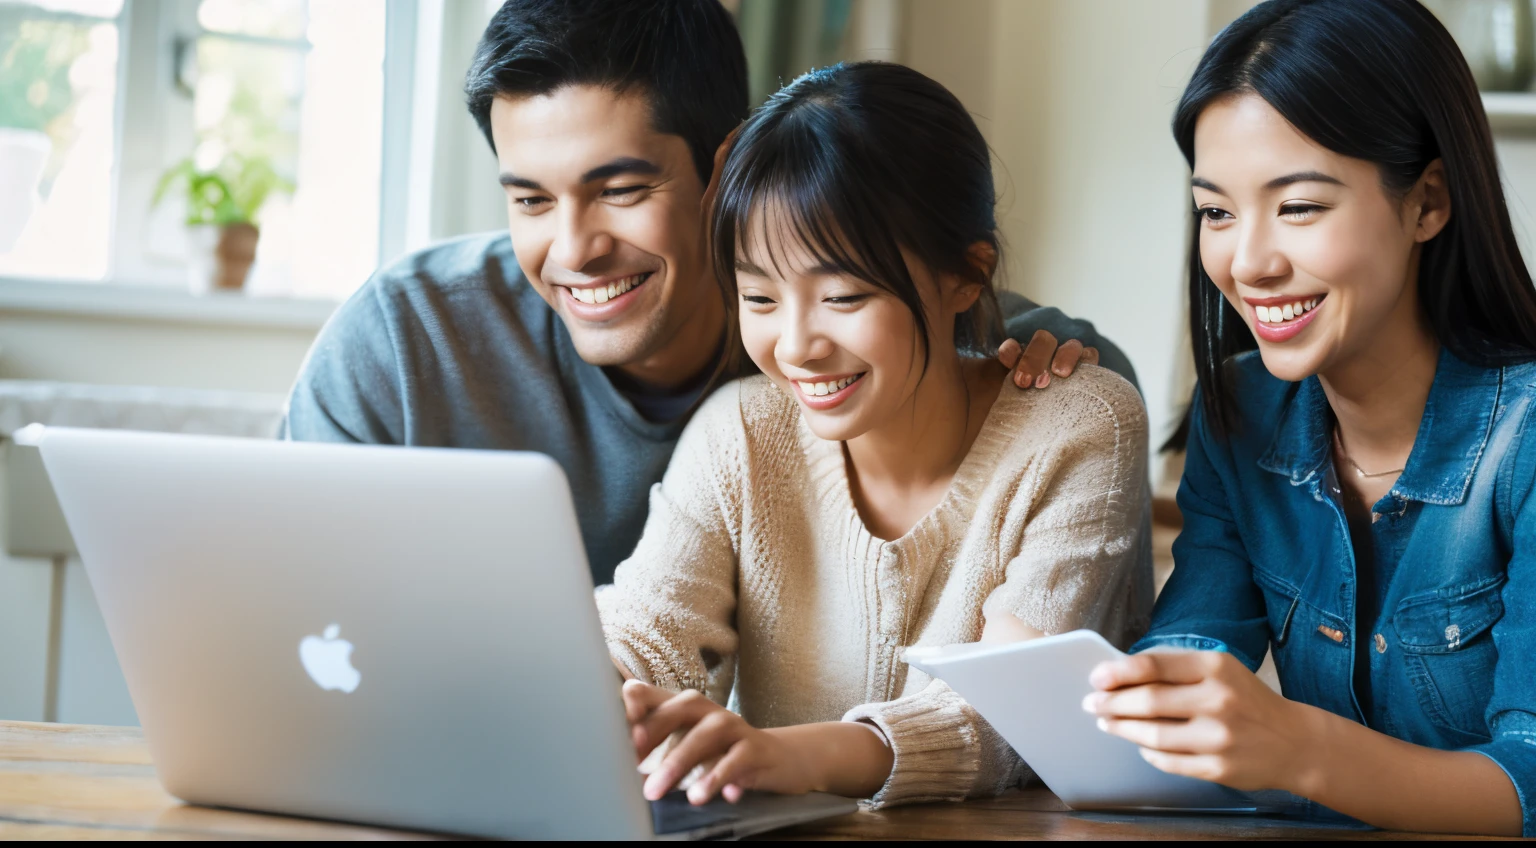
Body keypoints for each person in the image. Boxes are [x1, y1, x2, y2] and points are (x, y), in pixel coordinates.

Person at [277, 0, 1138, 585]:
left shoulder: (870, 342)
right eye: (531, 199)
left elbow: (1068, 368)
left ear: (726, 168)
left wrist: (1060, 372)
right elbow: (283, 593)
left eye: (620, 190)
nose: (574, 249)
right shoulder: (404, 338)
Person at [602, 61, 1151, 809]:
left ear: (967, 274)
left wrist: (786, 756)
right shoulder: (740, 431)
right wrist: (598, 692)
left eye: (843, 295)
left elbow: (1009, 720)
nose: (795, 345)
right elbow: (645, 636)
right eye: (758, 295)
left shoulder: (1076, 428)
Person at [1083, 0, 1536, 836]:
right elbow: (1194, 643)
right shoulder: (1241, 411)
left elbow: (1530, 785)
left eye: (1298, 206)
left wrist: (1295, 747)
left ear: (1427, 202)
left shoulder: (1528, 438)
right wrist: (1148, 700)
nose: (1248, 261)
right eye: (1216, 211)